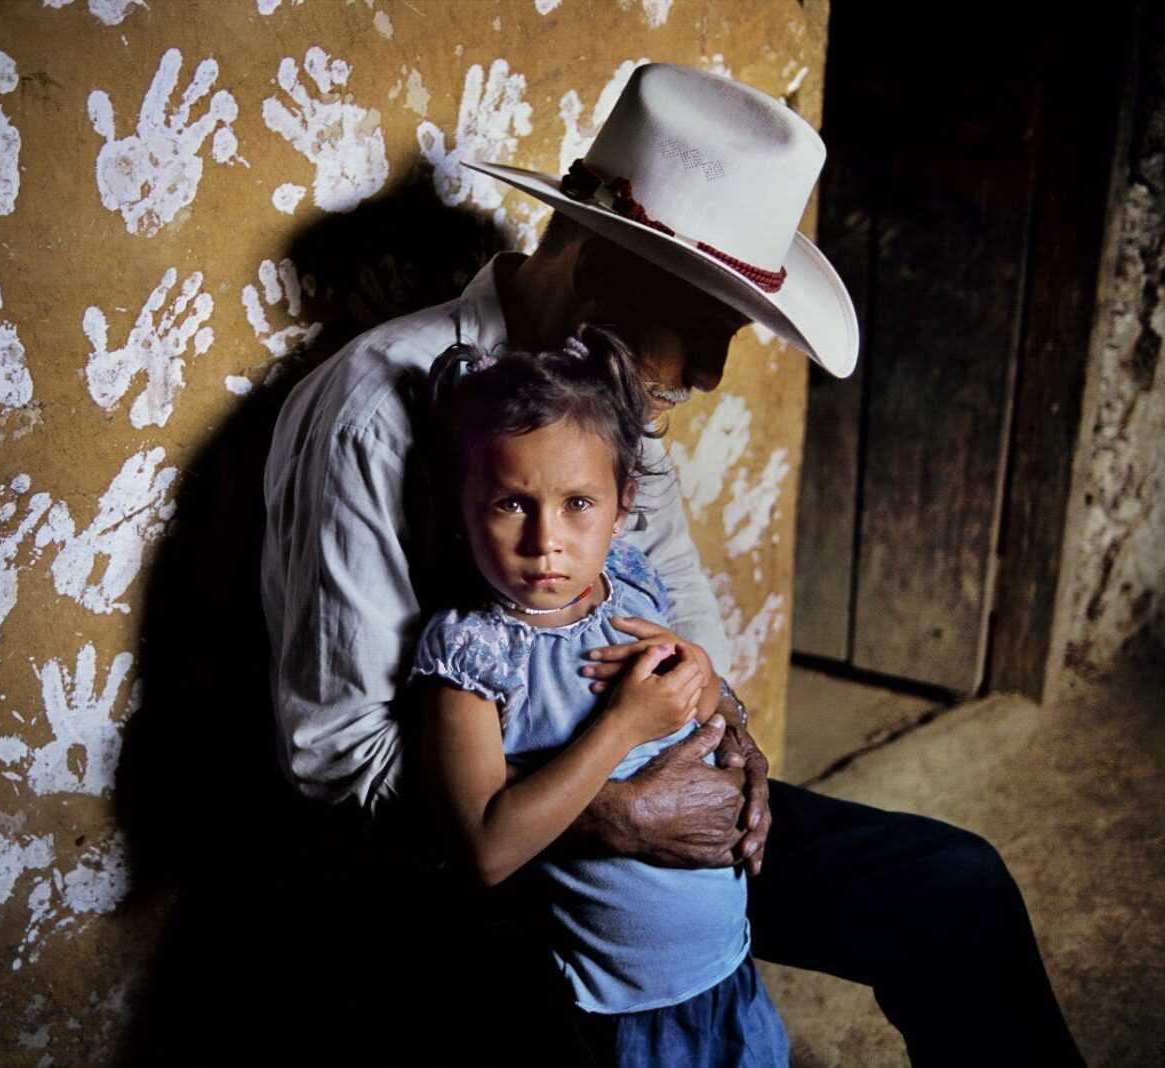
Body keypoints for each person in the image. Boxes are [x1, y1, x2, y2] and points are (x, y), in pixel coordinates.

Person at [261, 63, 1081, 1064]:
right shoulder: (373, 413)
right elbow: (341, 763)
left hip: (650, 801)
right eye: (697, 331)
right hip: (468, 867)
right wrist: (604, 814)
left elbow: (688, 628)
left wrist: (726, 745)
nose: (708, 375)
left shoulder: (609, 399)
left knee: (954, 887)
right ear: (593, 262)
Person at [413, 324, 788, 1065]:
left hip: (726, 969)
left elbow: (694, 693)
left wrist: (705, 681)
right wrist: (622, 724)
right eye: (511, 504)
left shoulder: (630, 577)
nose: (546, 540)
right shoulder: (472, 655)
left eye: (577, 503)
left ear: (623, 505)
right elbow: (486, 849)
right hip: (616, 1011)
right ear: (461, 507)